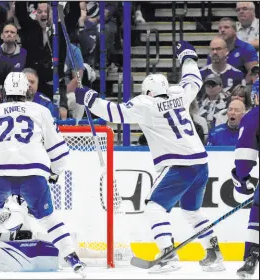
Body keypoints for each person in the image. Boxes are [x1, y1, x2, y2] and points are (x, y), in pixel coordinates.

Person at [75, 41, 225, 273]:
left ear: (146, 91)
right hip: (200, 163)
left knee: (154, 207)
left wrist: (89, 98)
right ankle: (214, 254)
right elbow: (193, 80)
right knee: (192, 211)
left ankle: (167, 254)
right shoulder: (179, 94)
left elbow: (115, 113)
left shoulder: (146, 104)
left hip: (179, 164)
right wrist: (188, 57)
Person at [0, 72, 86, 278]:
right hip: (32, 174)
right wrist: (54, 172)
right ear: (27, 89)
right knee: (48, 219)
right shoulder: (41, 111)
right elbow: (59, 152)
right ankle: (72, 258)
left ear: (5, 91)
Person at [231, 85, 259, 279]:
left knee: (258, 210)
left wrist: (242, 178)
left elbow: (244, 158)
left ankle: (252, 256)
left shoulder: (253, 116)